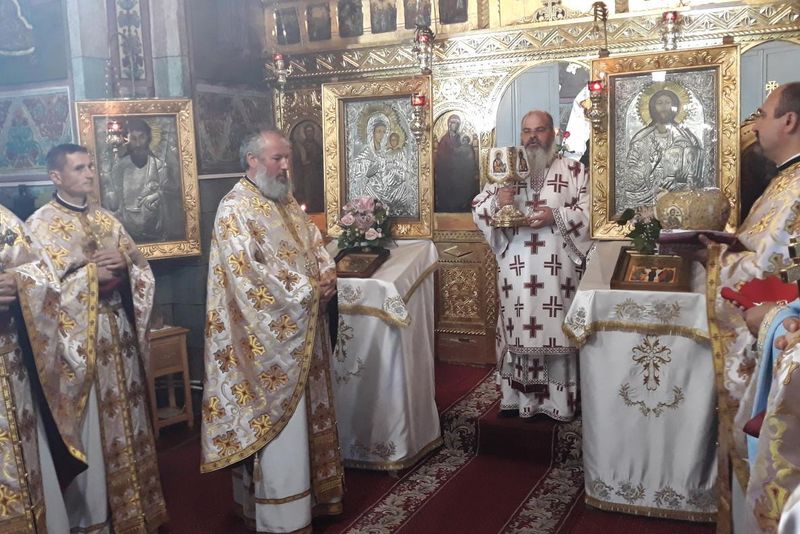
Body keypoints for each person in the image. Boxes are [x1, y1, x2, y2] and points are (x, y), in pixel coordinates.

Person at [201, 129, 344, 533]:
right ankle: (281, 513)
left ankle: (315, 497)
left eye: (287, 158)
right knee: (279, 424)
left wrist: (328, 273)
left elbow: (314, 243)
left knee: (308, 412)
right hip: (264, 341)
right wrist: (309, 290)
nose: (285, 166)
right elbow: (250, 275)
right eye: (277, 158)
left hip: (304, 329)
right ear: (252, 160)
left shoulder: (285, 202)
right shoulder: (234, 209)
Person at [28, 143, 167, 532]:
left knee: (130, 423)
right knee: (91, 430)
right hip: (79, 352)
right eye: (79, 168)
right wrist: (91, 278)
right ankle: (95, 521)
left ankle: (136, 512)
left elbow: (141, 269)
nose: (89, 173)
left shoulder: (107, 219)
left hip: (119, 339)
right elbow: (38, 296)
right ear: (56, 176)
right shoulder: (39, 227)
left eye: (90, 166)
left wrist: (125, 266)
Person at [703, 81, 800, 532]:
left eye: (761, 115)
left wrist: (714, 259)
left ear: (789, 121)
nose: (754, 125)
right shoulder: (784, 181)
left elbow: (770, 270)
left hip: (782, 347)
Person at [472, 110, 592, 421]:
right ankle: (520, 399)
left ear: (554, 133)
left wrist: (557, 216)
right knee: (520, 329)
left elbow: (592, 212)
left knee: (558, 331)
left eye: (539, 130)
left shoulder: (575, 171)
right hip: (516, 270)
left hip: (558, 271)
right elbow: (478, 206)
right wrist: (498, 201)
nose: (532, 137)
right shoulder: (507, 170)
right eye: (527, 131)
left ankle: (559, 402)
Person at [0, 204, 71, 532]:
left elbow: (44, 276)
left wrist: (19, 282)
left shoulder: (5, 220)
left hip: (11, 368)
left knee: (23, 465)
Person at [623, 88, 703, 208]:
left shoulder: (686, 137)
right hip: (644, 195)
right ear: (652, 108)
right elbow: (630, 172)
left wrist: (678, 181)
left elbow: (694, 171)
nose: (664, 107)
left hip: (677, 195)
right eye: (659, 103)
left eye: (667, 102)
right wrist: (651, 168)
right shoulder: (641, 138)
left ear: (675, 106)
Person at [107, 118, 169, 242]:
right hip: (126, 227)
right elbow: (115, 198)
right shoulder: (120, 167)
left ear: (148, 138)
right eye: (134, 138)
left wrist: (157, 196)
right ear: (127, 139)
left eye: (142, 138)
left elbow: (167, 193)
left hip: (153, 227)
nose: (138, 144)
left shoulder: (158, 165)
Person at [434, 114, 479, 212]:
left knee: (465, 182)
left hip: (460, 171)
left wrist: (465, 154)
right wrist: (453, 156)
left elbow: (467, 154)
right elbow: (441, 157)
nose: (454, 125)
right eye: (452, 122)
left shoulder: (461, 138)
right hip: (447, 172)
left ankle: (463, 206)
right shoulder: (444, 140)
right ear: (449, 124)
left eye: (456, 123)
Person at [292, 123, 325, 212]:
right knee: (307, 192)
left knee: (316, 192)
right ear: (305, 133)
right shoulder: (302, 146)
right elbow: (297, 161)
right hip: (305, 175)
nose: (309, 133)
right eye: (308, 132)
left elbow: (322, 159)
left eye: (311, 131)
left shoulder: (317, 146)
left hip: (316, 174)